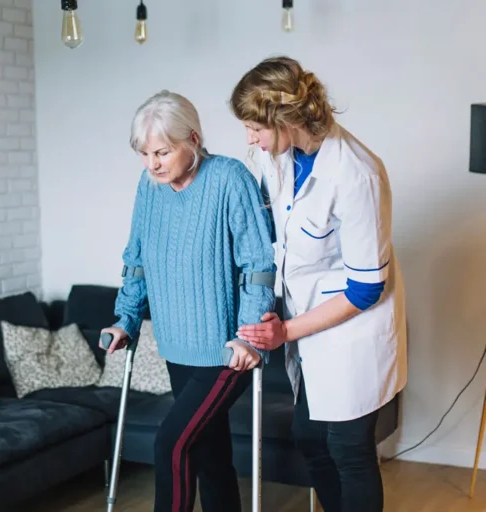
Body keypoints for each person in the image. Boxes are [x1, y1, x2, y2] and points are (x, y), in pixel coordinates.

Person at [229, 56, 408, 512]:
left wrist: (285, 331)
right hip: (311, 329)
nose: (249, 138)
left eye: (255, 127)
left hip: (353, 330)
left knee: (349, 448)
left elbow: (366, 288)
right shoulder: (282, 158)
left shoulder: (356, 173)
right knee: (309, 436)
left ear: (285, 118)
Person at [100, 90, 277, 512]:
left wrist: (249, 337)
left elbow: (259, 264)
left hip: (226, 350)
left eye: (161, 151)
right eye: (144, 153)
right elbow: (137, 260)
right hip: (176, 345)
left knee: (171, 443)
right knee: (208, 452)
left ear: (193, 139)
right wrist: (125, 317)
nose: (152, 163)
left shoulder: (230, 178)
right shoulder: (149, 186)